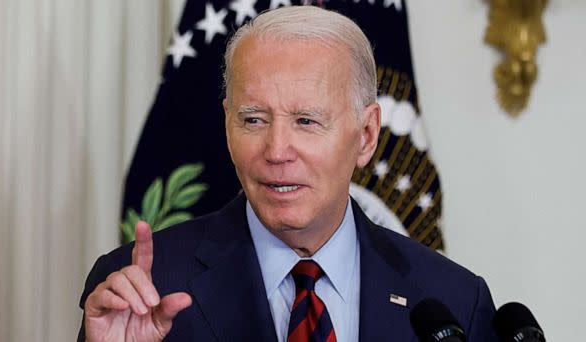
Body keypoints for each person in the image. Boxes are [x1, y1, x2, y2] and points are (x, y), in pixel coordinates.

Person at [78, 6, 498, 342]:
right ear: (227, 125)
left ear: (367, 135)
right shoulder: (141, 290)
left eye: (306, 121)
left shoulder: (454, 302)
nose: (277, 152)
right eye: (254, 120)